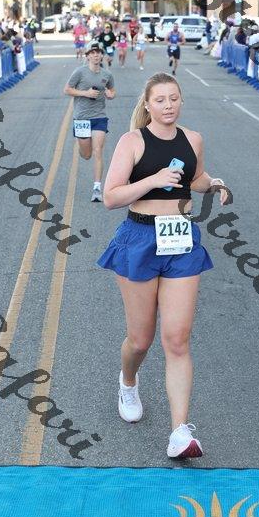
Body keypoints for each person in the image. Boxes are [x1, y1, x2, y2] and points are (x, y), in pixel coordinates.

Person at [97, 72, 231, 458]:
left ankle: (179, 432)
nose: (168, 105)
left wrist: (215, 183)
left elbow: (195, 176)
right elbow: (111, 197)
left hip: (181, 239)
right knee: (141, 339)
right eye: (160, 100)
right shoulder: (132, 141)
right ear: (147, 104)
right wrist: (153, 179)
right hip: (139, 238)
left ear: (181, 101)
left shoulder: (193, 139)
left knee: (177, 339)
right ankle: (128, 381)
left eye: (174, 98)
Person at [63, 40, 116, 202]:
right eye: (92, 53)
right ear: (87, 56)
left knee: (98, 151)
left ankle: (97, 188)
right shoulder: (79, 72)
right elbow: (67, 90)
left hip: (99, 116)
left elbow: (112, 91)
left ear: (101, 55)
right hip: (81, 117)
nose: (96, 55)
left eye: (98, 52)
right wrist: (85, 93)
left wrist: (110, 94)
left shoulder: (107, 75)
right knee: (86, 154)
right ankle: (82, 148)